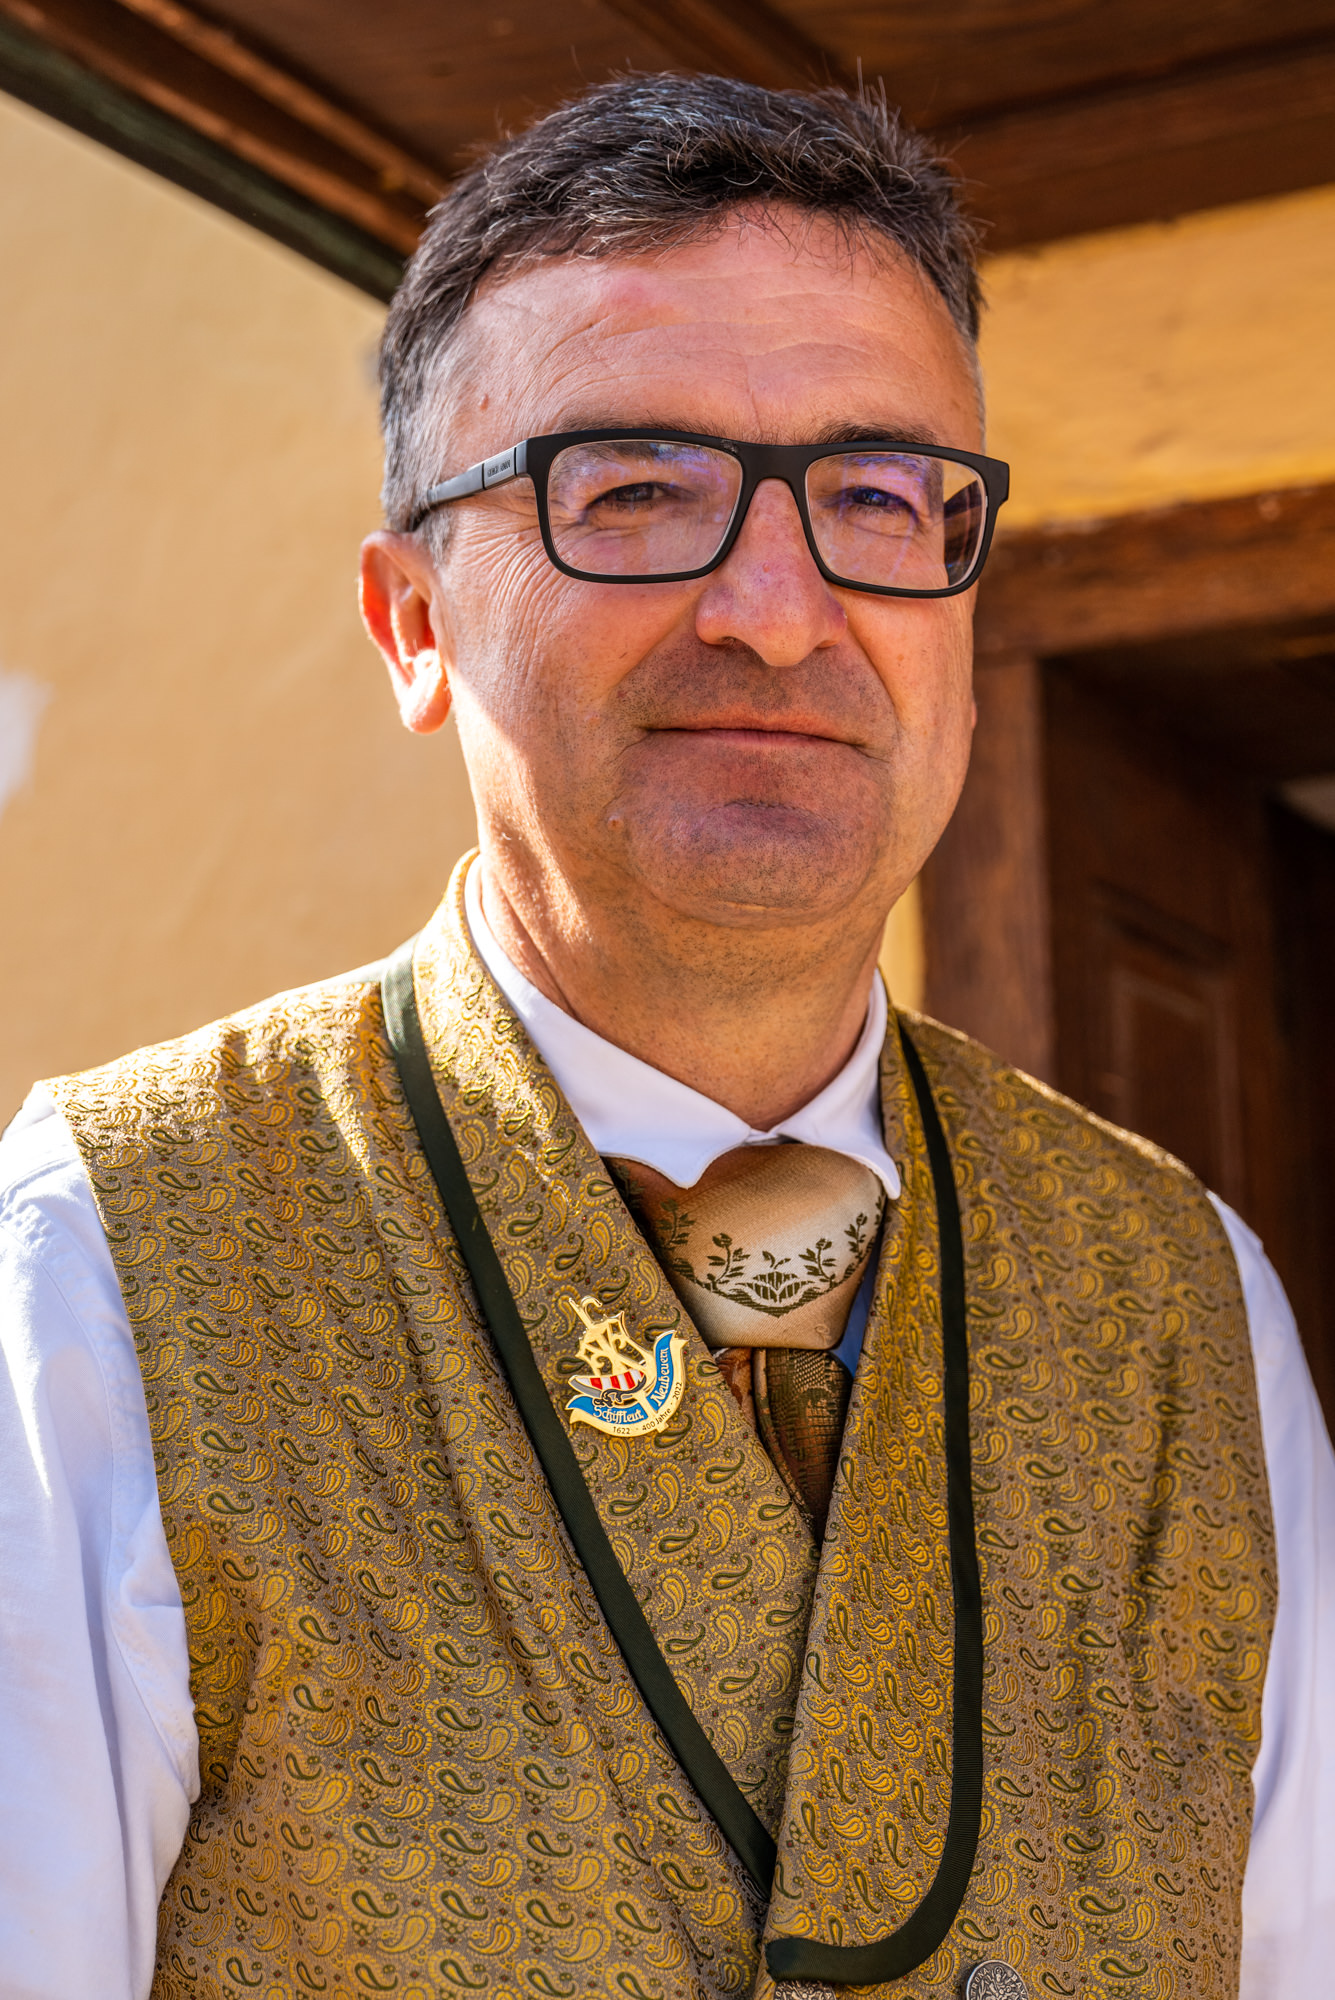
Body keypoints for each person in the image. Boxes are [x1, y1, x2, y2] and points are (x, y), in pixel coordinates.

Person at [0, 72, 1331, 2000]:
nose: (780, 612)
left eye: (879, 499)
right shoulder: (109, 1262)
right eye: (634, 490)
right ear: (413, 623)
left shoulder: (1188, 1307)